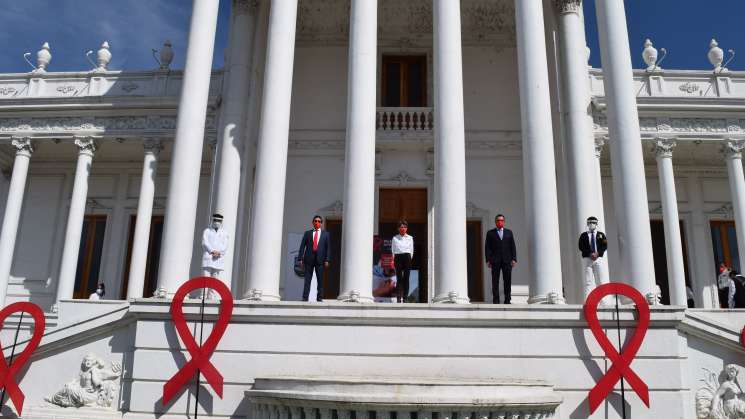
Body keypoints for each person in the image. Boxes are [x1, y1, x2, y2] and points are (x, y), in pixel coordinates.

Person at [485, 214, 517, 304]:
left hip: (507, 260)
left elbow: (512, 246)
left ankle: (507, 300)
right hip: (495, 261)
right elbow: (487, 247)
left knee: (507, 280)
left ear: (504, 222)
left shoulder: (509, 232)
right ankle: (496, 300)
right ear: (495, 222)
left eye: (502, 220)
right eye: (498, 220)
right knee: (495, 281)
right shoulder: (490, 233)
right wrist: (488, 260)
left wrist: (514, 259)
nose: (500, 222)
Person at [298, 215, 331, 302]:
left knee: (320, 280)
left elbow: (328, 248)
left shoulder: (326, 234)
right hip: (309, 259)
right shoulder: (307, 233)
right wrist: (300, 258)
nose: (317, 222)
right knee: (307, 280)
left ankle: (319, 298)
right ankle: (305, 298)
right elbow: (302, 246)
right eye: (315, 221)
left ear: (321, 223)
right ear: (313, 222)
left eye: (319, 221)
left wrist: (327, 259)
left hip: (320, 260)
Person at [578, 216, 609, 300]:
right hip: (588, 259)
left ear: (596, 224)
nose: (592, 224)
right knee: (588, 281)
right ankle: (588, 300)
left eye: (593, 223)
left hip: (598, 259)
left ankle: (603, 300)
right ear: (587, 224)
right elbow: (581, 246)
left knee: (600, 280)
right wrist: (589, 253)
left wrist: (598, 253)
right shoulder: (583, 235)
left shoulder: (601, 235)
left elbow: (604, 245)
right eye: (590, 223)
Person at [201, 213, 229, 298]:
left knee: (215, 278)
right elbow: (205, 242)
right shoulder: (207, 231)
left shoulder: (225, 233)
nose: (217, 222)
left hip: (218, 258)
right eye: (216, 220)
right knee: (206, 277)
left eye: (219, 221)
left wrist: (219, 252)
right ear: (212, 221)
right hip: (209, 256)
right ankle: (203, 295)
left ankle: (211, 296)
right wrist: (212, 251)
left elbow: (225, 245)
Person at [392, 220, 414, 303]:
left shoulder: (410, 238)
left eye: (405, 227)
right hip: (398, 257)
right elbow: (393, 250)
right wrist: (395, 259)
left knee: (406, 278)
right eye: (401, 227)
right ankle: (398, 298)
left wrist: (408, 258)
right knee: (399, 278)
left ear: (407, 228)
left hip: (407, 257)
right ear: (398, 228)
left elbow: (412, 250)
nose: (403, 229)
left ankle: (405, 298)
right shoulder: (395, 238)